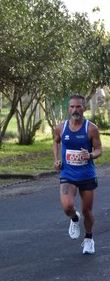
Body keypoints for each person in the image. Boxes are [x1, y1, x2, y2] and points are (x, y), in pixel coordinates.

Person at [53, 93, 102, 254]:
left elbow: (99, 150)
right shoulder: (61, 127)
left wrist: (90, 155)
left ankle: (89, 239)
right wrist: (56, 159)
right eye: (72, 106)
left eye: (78, 106)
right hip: (68, 174)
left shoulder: (91, 128)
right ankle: (74, 218)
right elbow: (55, 141)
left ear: (84, 109)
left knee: (87, 211)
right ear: (68, 109)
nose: (75, 109)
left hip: (87, 174)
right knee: (67, 206)